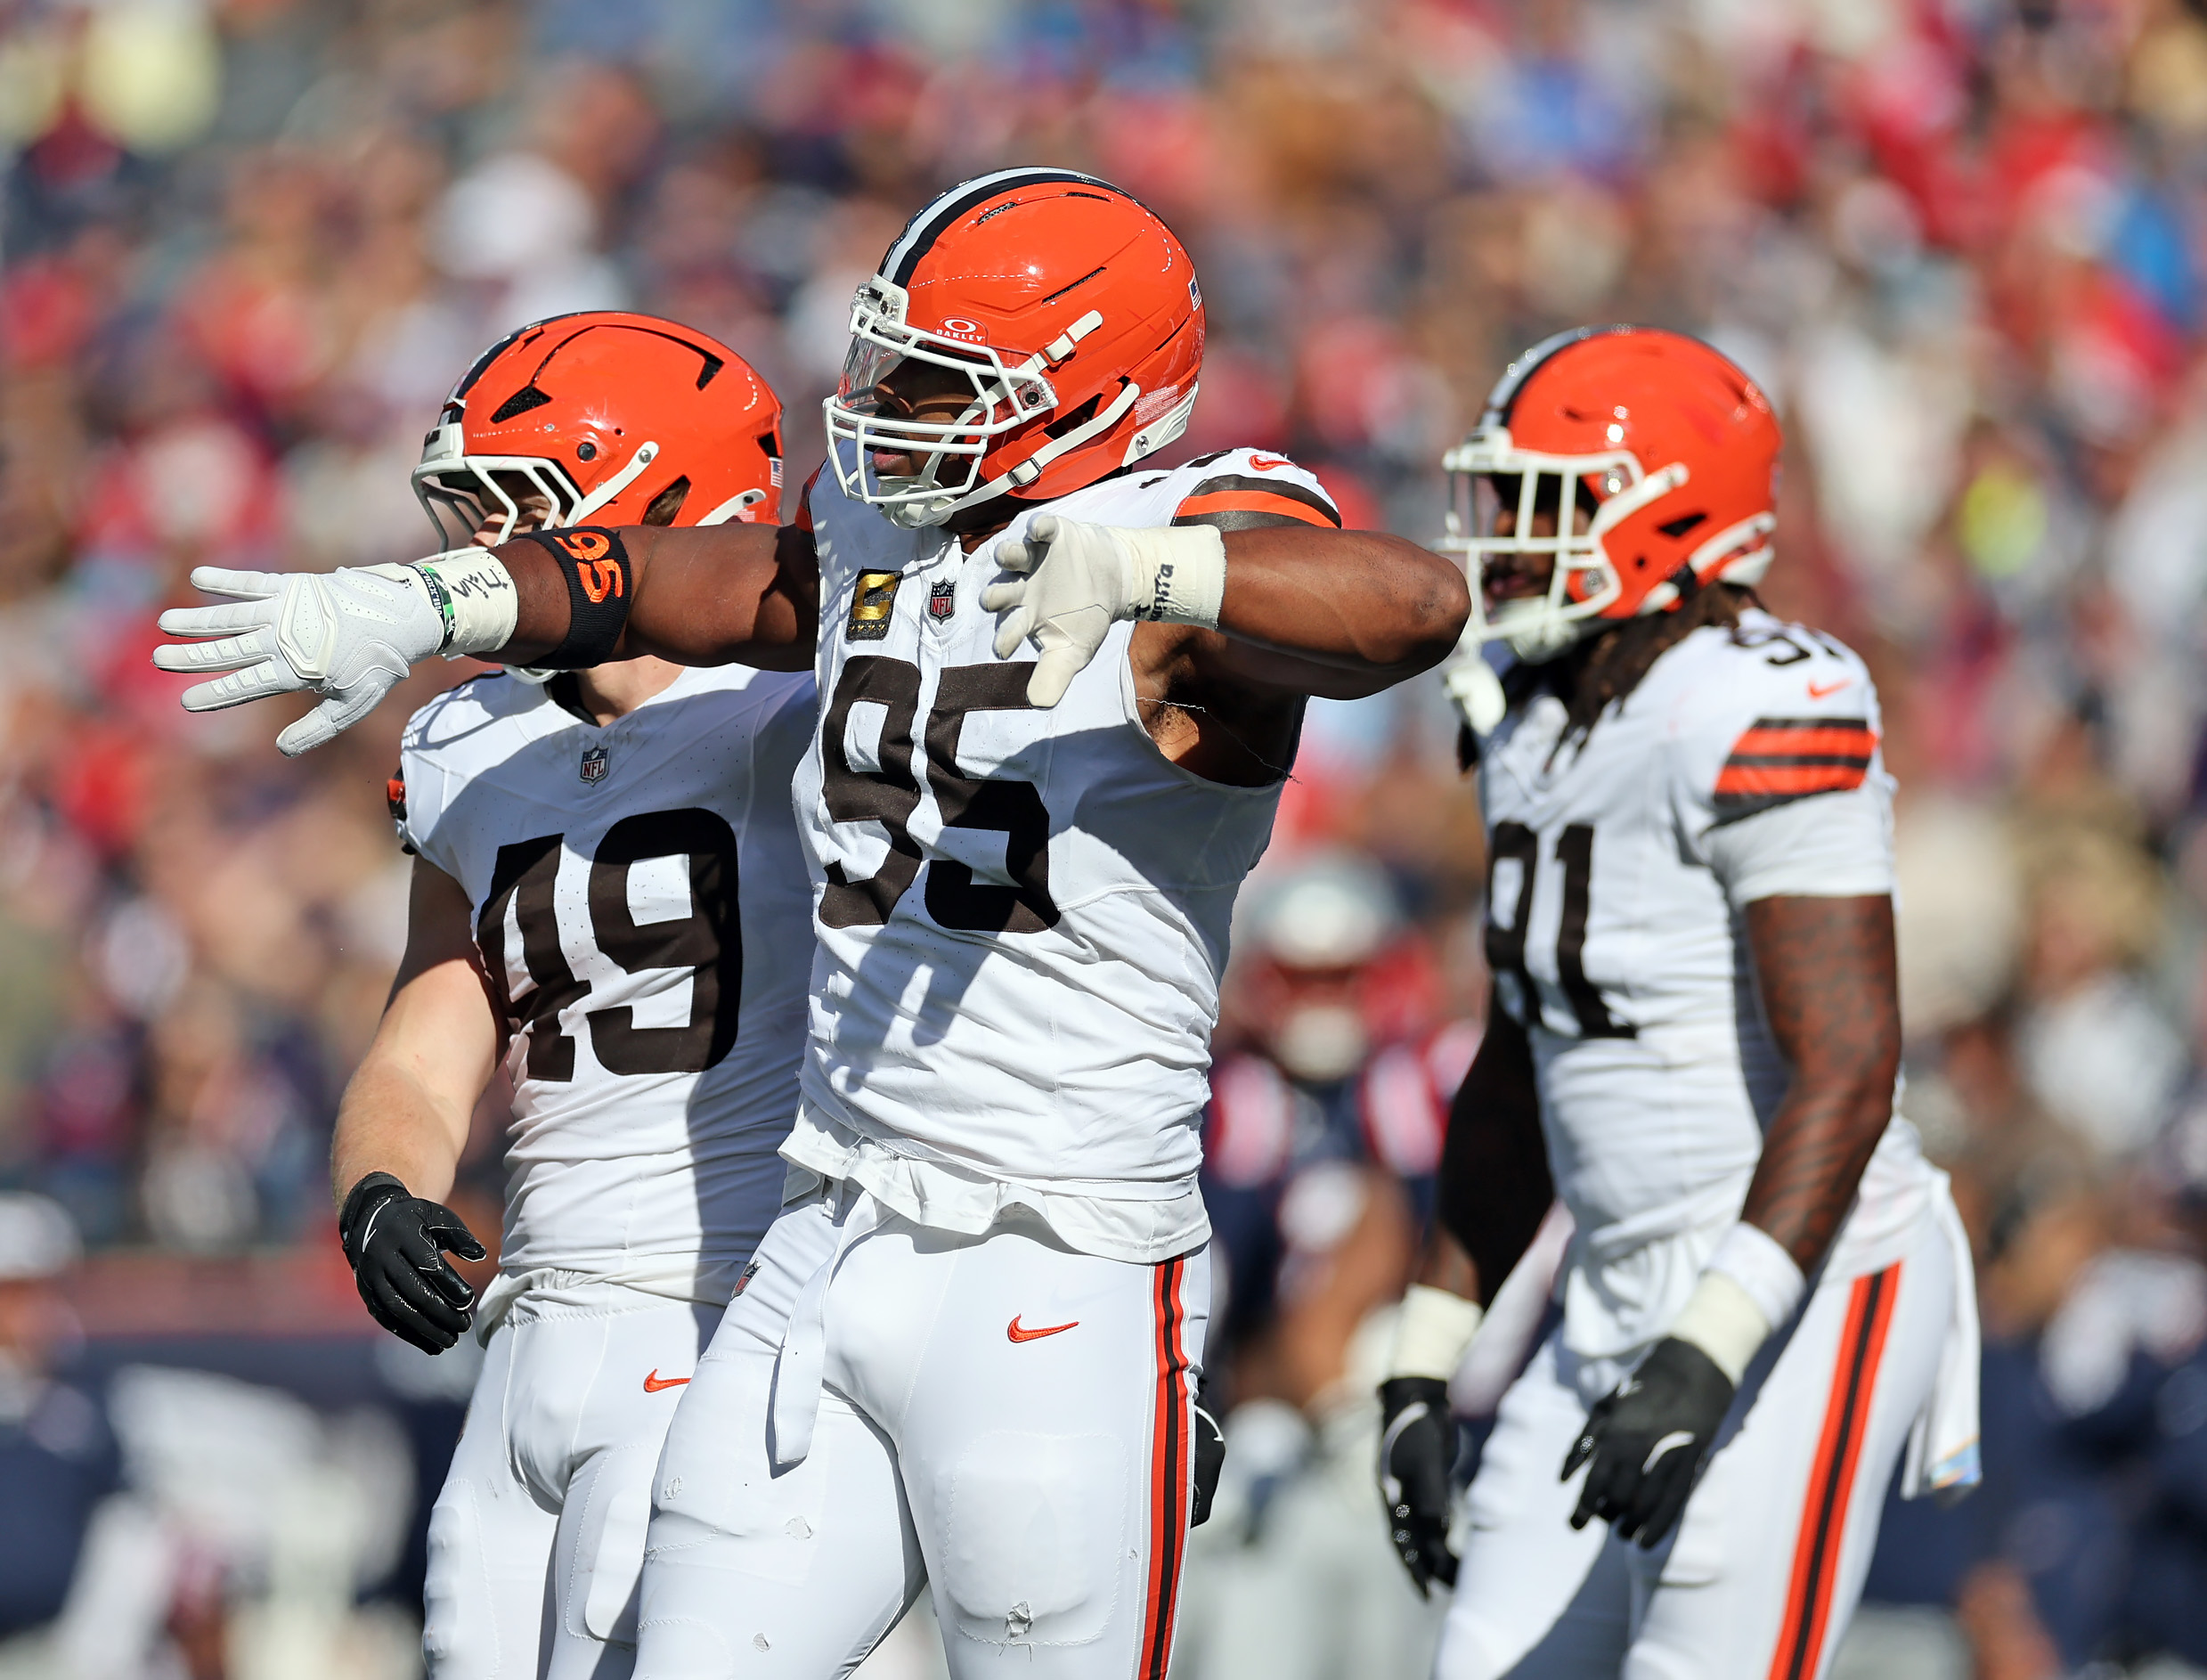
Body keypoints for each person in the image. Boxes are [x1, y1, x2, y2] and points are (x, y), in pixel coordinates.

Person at [152, 167, 1469, 1678]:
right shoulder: (872, 544)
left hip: (1058, 1256)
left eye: (941, 376)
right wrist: (437, 598)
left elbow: (1411, 605)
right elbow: (660, 577)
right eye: (889, 355)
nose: (885, 398)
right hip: (827, 1241)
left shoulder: (1190, 538)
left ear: (1087, 393)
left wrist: (1153, 567)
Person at [1372, 325, 1982, 1680]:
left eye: (1551, 506)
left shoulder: (1763, 699)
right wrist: (1428, 1347)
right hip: (1603, 1293)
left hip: (1798, 1293)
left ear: (1671, 515)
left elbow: (1848, 1064)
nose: (1507, 545)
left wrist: (1709, 1349)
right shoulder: (1527, 712)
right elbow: (1524, 1048)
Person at [324, 312, 818, 1680]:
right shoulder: (466, 735)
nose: (481, 548)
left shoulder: (810, 712)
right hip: (535, 1317)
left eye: (519, 504)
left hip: (733, 1310)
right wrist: (380, 1190)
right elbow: (429, 1036)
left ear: (657, 501)